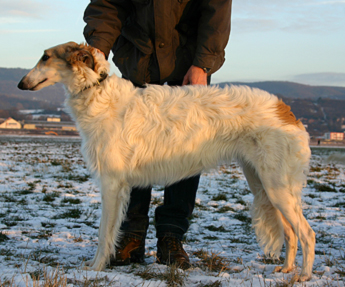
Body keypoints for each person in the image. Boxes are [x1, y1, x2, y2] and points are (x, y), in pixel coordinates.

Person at [83, 0, 232, 269]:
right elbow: (107, 5)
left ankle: (171, 237)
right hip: (137, 62)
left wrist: (204, 63)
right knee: (130, 155)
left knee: (186, 154)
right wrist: (97, 49)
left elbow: (216, 9)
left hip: (189, 67)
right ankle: (130, 235)